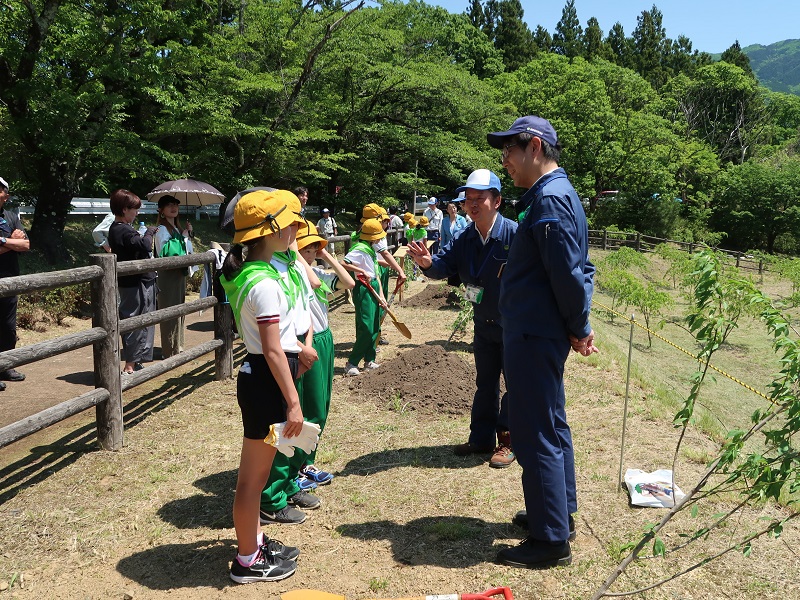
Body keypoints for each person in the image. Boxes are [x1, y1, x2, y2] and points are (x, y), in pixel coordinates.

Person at [488, 115, 597, 569]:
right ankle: (559, 513)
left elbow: (569, 273)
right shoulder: (549, 196)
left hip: (535, 333)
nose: (505, 161)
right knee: (551, 423)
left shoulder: (549, 201)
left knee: (535, 433)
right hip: (537, 331)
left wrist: (579, 324)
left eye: (509, 151)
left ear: (534, 146)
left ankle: (549, 538)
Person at [219, 189, 307, 583]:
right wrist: (293, 402)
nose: (296, 227)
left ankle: (254, 538)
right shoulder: (265, 283)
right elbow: (272, 351)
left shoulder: (258, 271)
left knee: (257, 475)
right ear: (269, 230)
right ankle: (247, 560)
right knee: (251, 482)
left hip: (265, 377)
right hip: (268, 381)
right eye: (289, 220)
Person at [407, 169, 517, 469]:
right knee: (485, 382)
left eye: (479, 198)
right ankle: (481, 439)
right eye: (468, 199)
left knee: (513, 385)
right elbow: (444, 265)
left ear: (497, 201)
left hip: (513, 325)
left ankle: (507, 441)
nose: (472, 204)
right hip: (483, 323)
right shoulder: (466, 237)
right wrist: (428, 264)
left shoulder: (514, 235)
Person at [260, 198, 323, 525]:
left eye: (299, 222)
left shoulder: (290, 261)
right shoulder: (269, 266)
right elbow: (273, 326)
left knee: (302, 420)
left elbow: (306, 306)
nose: (298, 228)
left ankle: (288, 483)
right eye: (292, 223)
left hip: (302, 349)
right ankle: (271, 498)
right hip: (286, 352)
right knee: (283, 424)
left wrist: (308, 344)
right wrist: (299, 348)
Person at [295, 222, 355, 486]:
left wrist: (326, 253)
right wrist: (296, 253)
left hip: (324, 338)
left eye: (314, 247)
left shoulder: (317, 268)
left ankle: (308, 462)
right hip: (305, 342)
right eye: (306, 247)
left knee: (322, 404)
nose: (311, 252)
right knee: (308, 405)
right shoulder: (296, 273)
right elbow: (313, 280)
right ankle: (296, 466)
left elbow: (348, 282)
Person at [107, 189, 158, 375]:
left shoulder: (123, 228)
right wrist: (150, 233)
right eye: (134, 209)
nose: (136, 213)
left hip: (139, 280)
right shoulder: (121, 229)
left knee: (143, 319)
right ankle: (130, 364)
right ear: (124, 209)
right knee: (134, 320)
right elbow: (144, 245)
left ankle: (136, 361)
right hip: (134, 282)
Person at [340, 218, 388, 376]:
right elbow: (343, 263)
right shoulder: (360, 248)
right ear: (371, 237)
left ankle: (369, 360)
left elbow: (377, 275)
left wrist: (381, 296)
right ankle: (352, 362)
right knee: (366, 327)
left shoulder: (371, 249)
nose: (380, 239)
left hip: (373, 285)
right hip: (363, 288)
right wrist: (360, 271)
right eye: (378, 236)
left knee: (375, 326)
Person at [154, 195, 193, 359]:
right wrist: (183, 237)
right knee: (169, 311)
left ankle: (178, 345)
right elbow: (166, 252)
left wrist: (187, 234)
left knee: (180, 310)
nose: (173, 208)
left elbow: (186, 250)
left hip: (178, 273)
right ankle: (169, 350)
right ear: (161, 211)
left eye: (176, 205)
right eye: (169, 205)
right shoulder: (161, 229)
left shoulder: (176, 229)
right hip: (168, 274)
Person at [0, 176, 30, 388]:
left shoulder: (11, 217)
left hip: (10, 279)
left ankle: (6, 366)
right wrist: (13, 241)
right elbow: (18, 243)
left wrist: (3, 241)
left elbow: (26, 244)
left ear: (6, 196)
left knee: (8, 326)